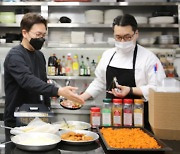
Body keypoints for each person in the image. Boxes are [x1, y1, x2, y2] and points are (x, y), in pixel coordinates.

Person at [81, 14, 166, 130]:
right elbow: (100, 82)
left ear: (136, 34)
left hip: (138, 120)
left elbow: (158, 88)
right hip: (110, 118)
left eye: (127, 37)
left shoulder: (149, 58)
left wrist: (130, 90)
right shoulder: (108, 55)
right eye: (118, 37)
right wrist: (82, 97)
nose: (122, 41)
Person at [3, 13, 84, 127]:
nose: (41, 39)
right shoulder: (15, 55)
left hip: (38, 117)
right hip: (17, 119)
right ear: (24, 33)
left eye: (43, 35)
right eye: (38, 34)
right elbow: (28, 81)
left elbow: (42, 81)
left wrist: (52, 102)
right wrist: (58, 91)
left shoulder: (39, 55)